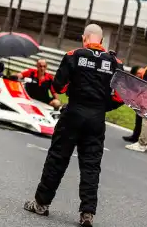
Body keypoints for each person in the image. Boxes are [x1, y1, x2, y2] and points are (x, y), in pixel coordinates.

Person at [25, 23, 123, 227]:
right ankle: (87, 214)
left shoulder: (74, 55)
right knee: (91, 165)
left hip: (73, 114)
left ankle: (41, 204)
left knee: (57, 159)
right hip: (96, 118)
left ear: (84, 39)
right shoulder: (115, 62)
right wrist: (102, 106)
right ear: (102, 41)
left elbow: (58, 87)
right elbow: (120, 97)